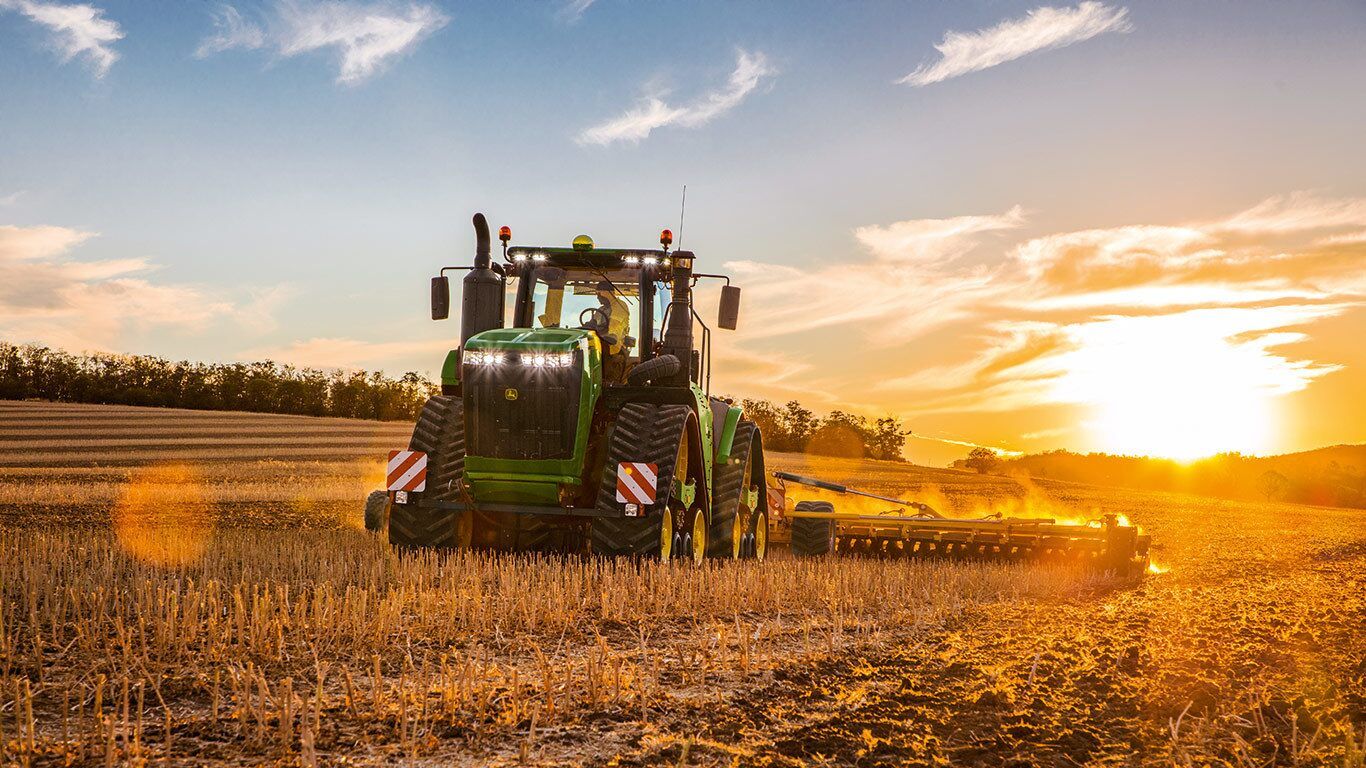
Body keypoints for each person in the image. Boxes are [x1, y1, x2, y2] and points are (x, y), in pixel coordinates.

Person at [595, 281, 631, 382]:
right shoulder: (600, 310)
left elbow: (614, 327)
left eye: (599, 293)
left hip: (614, 350)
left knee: (608, 380)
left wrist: (610, 336)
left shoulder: (620, 306)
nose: (597, 297)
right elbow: (591, 324)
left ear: (609, 292)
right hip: (600, 347)